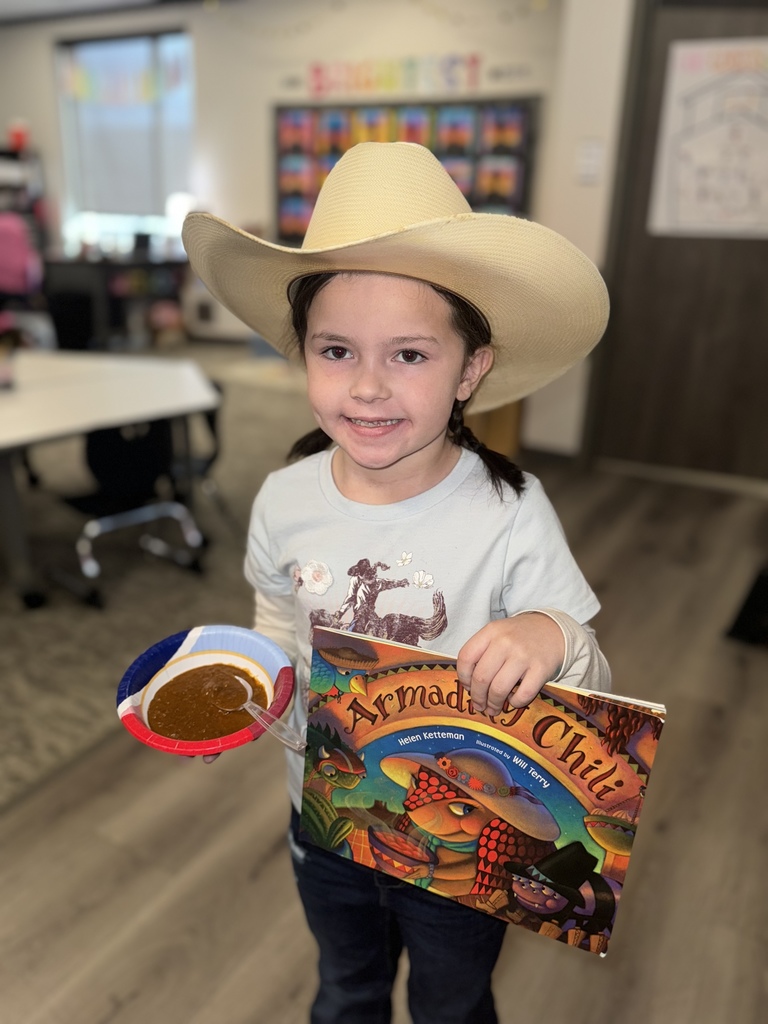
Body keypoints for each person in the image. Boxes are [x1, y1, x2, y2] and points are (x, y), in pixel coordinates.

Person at [182, 141, 611, 1024]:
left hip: (468, 833)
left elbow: (590, 684)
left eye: (410, 355)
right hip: (328, 812)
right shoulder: (284, 497)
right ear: (302, 353)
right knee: (346, 987)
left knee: (452, 1003)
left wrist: (551, 637)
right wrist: (254, 679)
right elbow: (275, 613)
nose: (368, 386)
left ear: (471, 369)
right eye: (337, 349)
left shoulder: (510, 510)